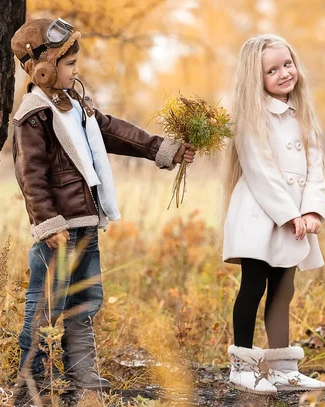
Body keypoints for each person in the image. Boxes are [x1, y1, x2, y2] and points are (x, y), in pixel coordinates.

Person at [10, 18, 195, 392]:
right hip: (59, 229)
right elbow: (31, 174)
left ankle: (81, 370)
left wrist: (161, 148)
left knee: (86, 298)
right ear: (42, 67)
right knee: (46, 302)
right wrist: (48, 222)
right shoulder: (34, 113)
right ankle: (34, 375)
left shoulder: (76, 104)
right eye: (69, 63)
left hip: (87, 224)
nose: (76, 70)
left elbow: (113, 131)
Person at [221, 34, 325, 394]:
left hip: (295, 220)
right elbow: (259, 169)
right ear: (257, 78)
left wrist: (311, 211)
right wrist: (288, 213)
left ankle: (282, 367)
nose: (284, 73)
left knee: (284, 289)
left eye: (287, 64)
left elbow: (316, 168)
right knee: (253, 286)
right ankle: (243, 365)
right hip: (260, 216)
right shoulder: (254, 116)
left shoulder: (303, 115)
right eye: (272, 70)